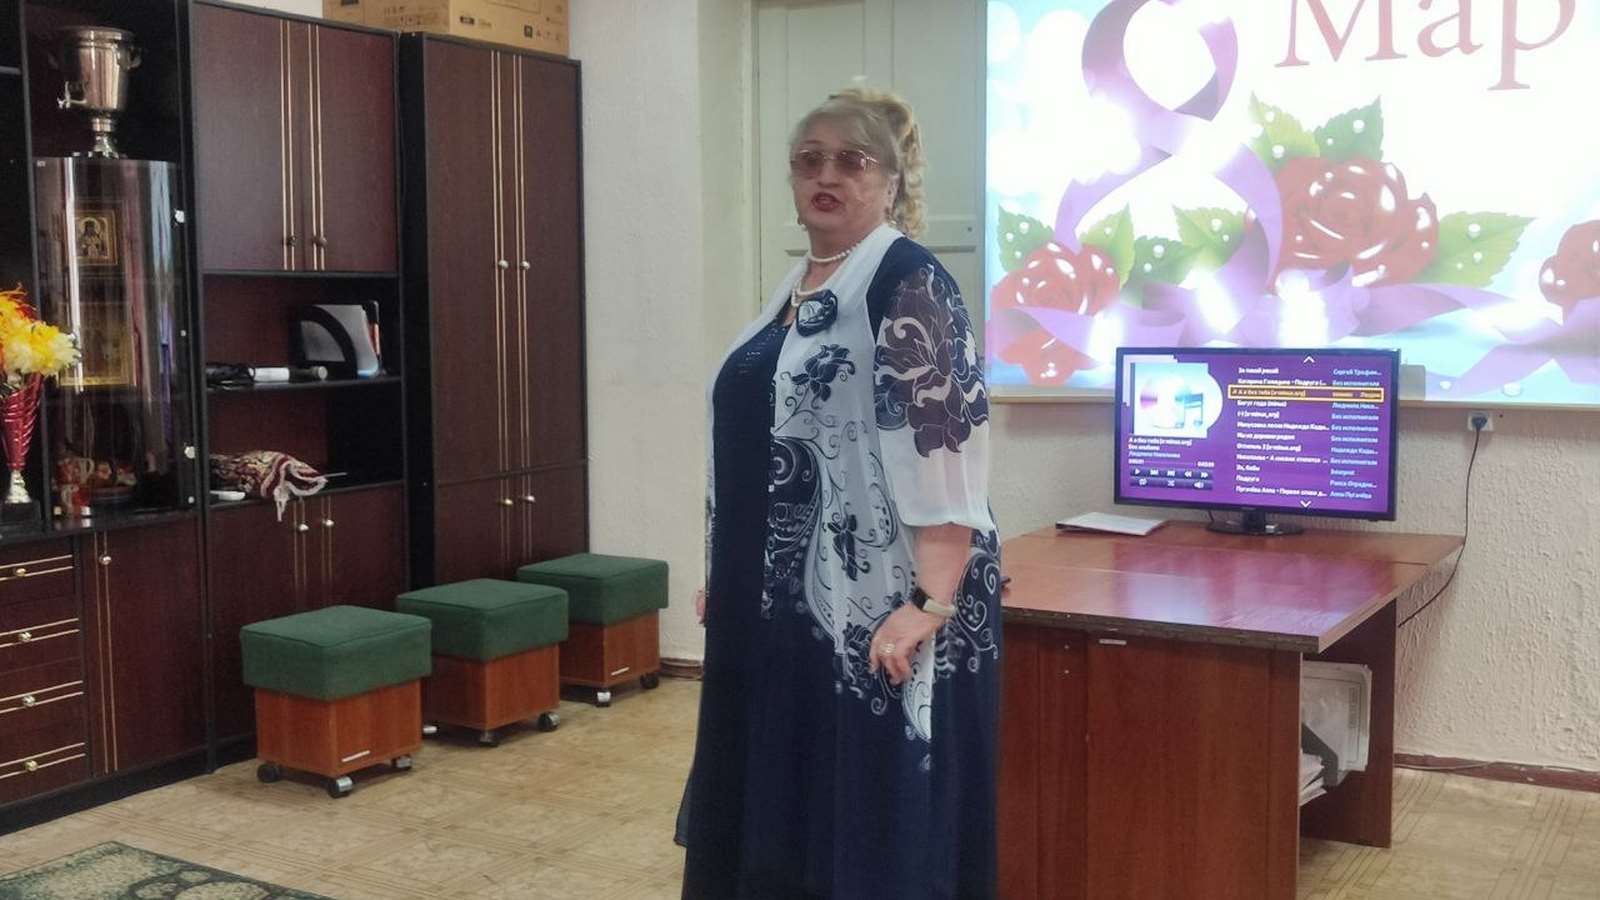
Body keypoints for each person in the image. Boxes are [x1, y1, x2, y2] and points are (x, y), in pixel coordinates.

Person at [679, 88, 1000, 900]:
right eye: (809, 160)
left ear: (891, 181)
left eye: (852, 161)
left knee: (868, 818)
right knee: (784, 808)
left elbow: (948, 452)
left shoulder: (908, 280)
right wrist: (727, 569)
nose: (827, 176)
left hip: (879, 605)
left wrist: (929, 603)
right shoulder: (798, 286)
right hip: (781, 607)